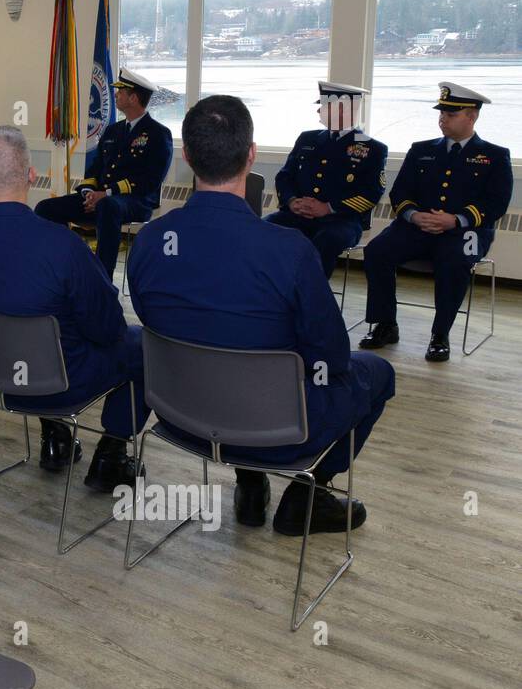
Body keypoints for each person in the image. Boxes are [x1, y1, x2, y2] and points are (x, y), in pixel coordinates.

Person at [128, 95, 394, 534]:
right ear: (251, 156)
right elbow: (332, 357)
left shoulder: (150, 241)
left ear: (187, 156)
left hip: (181, 416)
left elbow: (153, 320)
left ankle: (250, 484)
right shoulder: (288, 250)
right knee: (377, 372)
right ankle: (308, 496)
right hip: (274, 430)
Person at [0, 126, 148, 487]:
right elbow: (109, 329)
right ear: (31, 176)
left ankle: (56, 439)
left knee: (39, 331)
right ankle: (111, 455)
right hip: (57, 383)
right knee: (141, 344)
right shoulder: (61, 247)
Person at [359, 82, 513, 362]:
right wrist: (414, 215)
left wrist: (456, 220)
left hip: (466, 233)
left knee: (455, 261)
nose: (443, 119)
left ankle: (440, 335)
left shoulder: (494, 156)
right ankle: (384, 324)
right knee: (376, 251)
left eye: (451, 114)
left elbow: (496, 203)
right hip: (417, 226)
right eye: (441, 113)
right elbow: (400, 192)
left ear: (472, 116)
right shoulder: (421, 150)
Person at [34, 67, 173, 278]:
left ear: (133, 98)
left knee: (109, 206)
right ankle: (65, 263)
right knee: (45, 208)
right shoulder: (112, 131)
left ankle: (101, 278)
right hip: (100, 200)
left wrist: (106, 194)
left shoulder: (158, 134)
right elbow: (95, 168)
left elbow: (150, 181)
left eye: (121, 92)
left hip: (136, 202)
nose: (115, 95)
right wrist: (88, 192)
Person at [265, 81, 387, 278]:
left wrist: (328, 207)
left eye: (324, 106)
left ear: (342, 109)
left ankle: (312, 299)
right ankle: (270, 291)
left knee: (326, 241)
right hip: (297, 214)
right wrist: (292, 201)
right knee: (263, 230)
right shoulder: (307, 139)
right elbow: (285, 176)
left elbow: (371, 193)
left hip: (340, 220)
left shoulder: (372, 148)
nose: (319, 111)